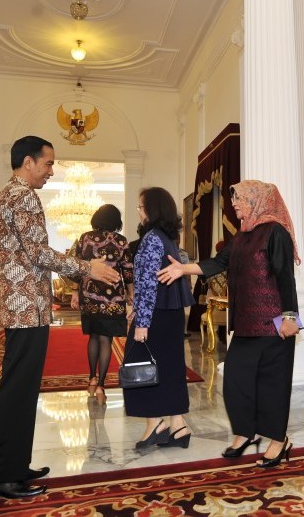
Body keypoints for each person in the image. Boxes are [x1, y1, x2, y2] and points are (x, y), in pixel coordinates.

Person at [0, 136, 120, 500]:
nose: (51, 171)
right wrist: (88, 267)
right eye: (48, 164)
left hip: (20, 305)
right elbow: (40, 254)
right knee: (18, 390)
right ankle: (2, 476)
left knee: (21, 389)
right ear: (28, 162)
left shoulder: (5, 194)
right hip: (26, 307)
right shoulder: (24, 195)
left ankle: (13, 466)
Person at [157, 180, 299, 468]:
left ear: (258, 200)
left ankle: (278, 441)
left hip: (273, 324)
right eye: (234, 199)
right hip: (246, 322)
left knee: (273, 385)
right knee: (236, 381)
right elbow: (217, 263)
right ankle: (246, 432)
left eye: (240, 199)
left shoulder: (275, 232)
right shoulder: (242, 236)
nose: (234, 204)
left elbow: (286, 276)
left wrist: (290, 317)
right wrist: (184, 268)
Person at [124, 187, 193, 451]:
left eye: (141, 207)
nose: (139, 212)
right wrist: (137, 309)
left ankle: (155, 424)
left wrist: (142, 320)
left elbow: (148, 282)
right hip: (169, 313)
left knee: (140, 369)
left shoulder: (152, 238)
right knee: (168, 369)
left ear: (151, 209)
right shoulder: (168, 236)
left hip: (155, 315)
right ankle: (178, 426)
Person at [70, 204, 134, 404]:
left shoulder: (85, 238)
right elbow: (128, 271)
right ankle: (101, 387)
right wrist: (131, 294)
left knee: (94, 337)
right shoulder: (122, 241)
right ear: (117, 221)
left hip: (89, 295)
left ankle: (91, 379)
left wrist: (74, 292)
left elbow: (76, 267)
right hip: (112, 298)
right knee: (106, 339)